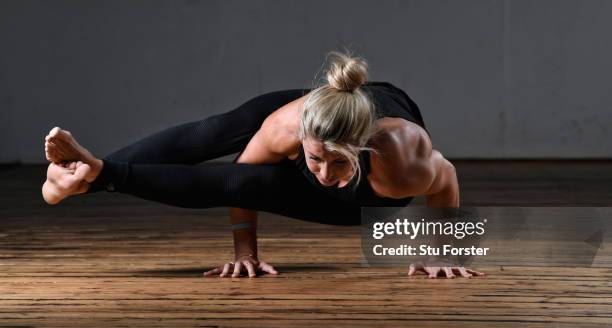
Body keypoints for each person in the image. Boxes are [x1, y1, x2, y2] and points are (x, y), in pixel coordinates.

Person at [42, 51, 484, 279]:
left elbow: (446, 177)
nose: (325, 175)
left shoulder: (399, 157)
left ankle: (94, 175)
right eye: (315, 159)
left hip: (365, 202)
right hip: (308, 119)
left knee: (274, 174)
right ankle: (87, 173)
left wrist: (444, 250)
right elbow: (238, 180)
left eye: (338, 162)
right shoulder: (286, 125)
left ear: (361, 148)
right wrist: (244, 252)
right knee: (217, 130)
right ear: (300, 141)